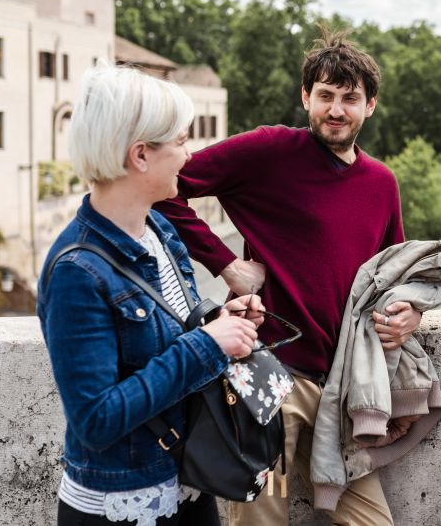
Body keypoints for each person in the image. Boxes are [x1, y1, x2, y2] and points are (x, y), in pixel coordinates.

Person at [154, 30, 416, 526]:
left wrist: (411, 313)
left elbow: (393, 274)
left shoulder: (381, 183)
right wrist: (225, 263)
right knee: (261, 522)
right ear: (306, 97)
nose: (335, 109)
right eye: (325, 96)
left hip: (341, 387)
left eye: (349, 98)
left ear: (370, 105)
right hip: (268, 383)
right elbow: (165, 188)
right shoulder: (271, 150)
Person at [38, 64, 266, 526]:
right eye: (181, 141)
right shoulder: (76, 272)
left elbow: (167, 337)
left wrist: (223, 320)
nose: (189, 153)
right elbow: (96, 420)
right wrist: (208, 345)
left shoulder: (158, 228)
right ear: (140, 155)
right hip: (123, 502)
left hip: (185, 480)